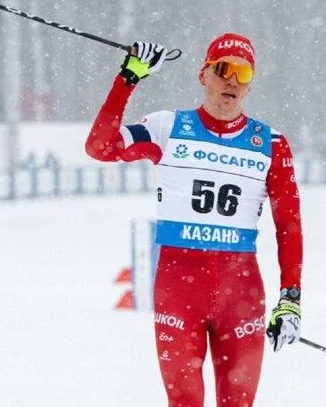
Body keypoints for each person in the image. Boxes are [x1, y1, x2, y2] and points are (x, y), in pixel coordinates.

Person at [85, 34, 304, 406]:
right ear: (204, 75)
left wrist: (291, 298)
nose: (232, 80)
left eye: (242, 72)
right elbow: (100, 147)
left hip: (242, 296)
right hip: (179, 291)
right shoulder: (166, 127)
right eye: (223, 69)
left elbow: (289, 225)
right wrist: (129, 78)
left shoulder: (271, 142)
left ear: (250, 84)